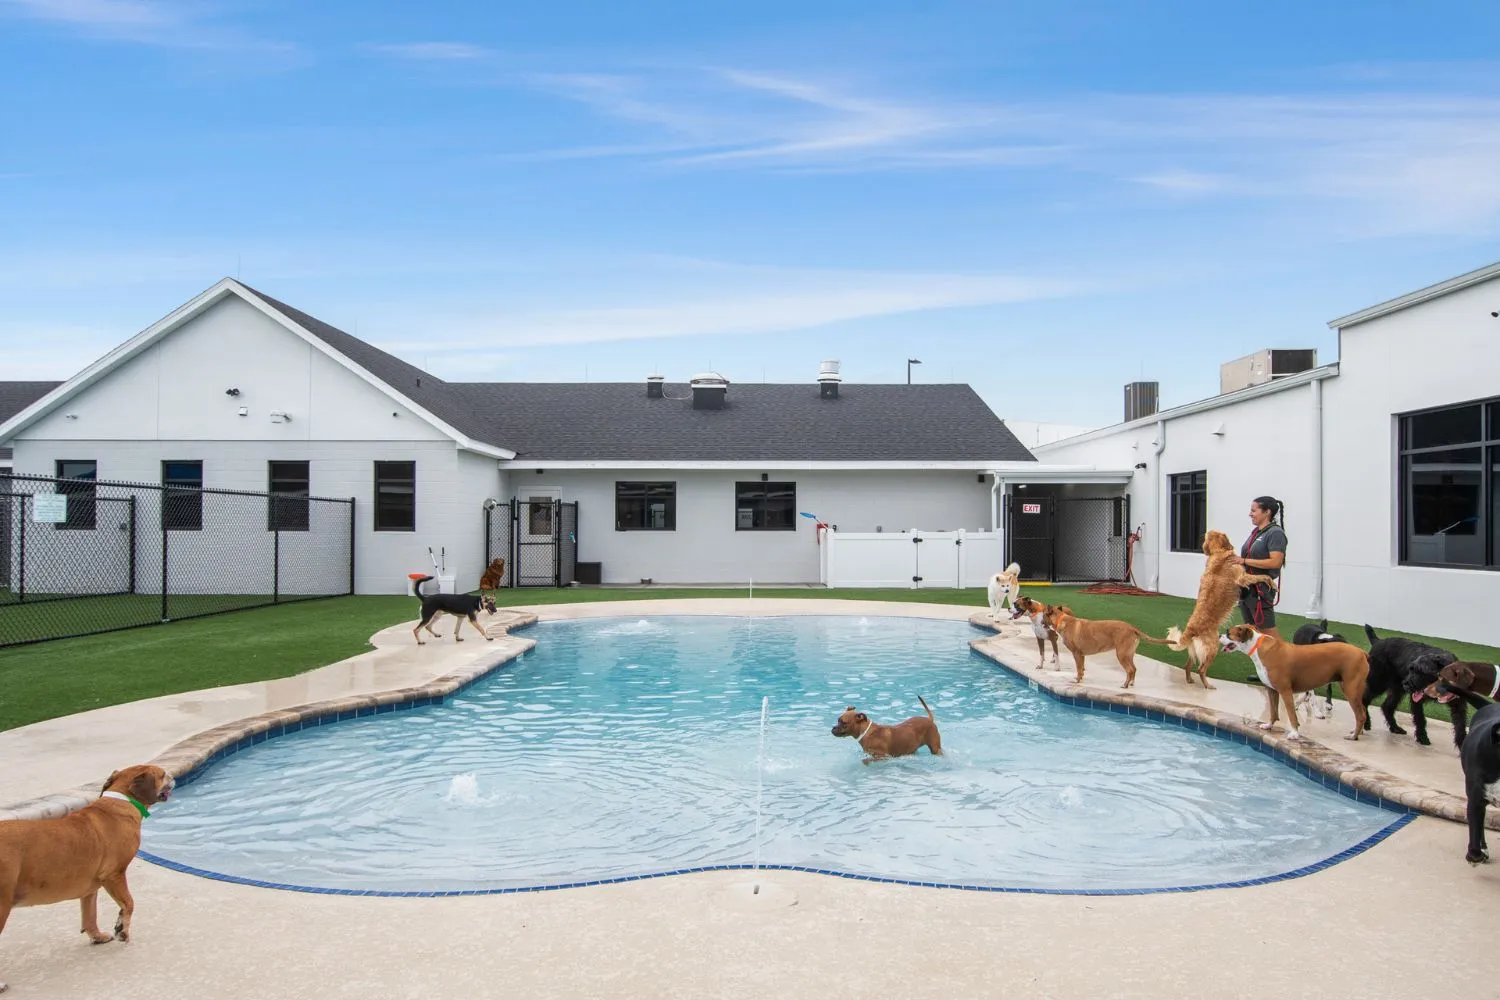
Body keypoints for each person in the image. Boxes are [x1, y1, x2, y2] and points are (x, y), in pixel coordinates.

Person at [1231, 495, 1286, 638]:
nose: (1250, 514)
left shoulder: (1275, 533)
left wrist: (1244, 561)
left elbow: (1275, 562)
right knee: (1253, 635)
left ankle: (1287, 660)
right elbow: (1245, 558)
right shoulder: (1256, 532)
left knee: (1269, 637)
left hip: (1260, 590)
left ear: (1267, 512)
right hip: (1247, 590)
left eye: (1253, 511)